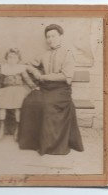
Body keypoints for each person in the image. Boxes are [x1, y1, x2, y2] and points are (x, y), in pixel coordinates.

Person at [18, 24, 84, 155]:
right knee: (30, 101)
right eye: (48, 37)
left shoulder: (68, 53)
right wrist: (35, 72)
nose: (50, 39)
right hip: (45, 87)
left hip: (61, 89)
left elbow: (66, 76)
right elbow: (28, 65)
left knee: (48, 105)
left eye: (53, 36)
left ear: (60, 37)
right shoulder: (44, 54)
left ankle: (50, 145)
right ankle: (32, 143)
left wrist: (43, 76)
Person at [0, 48, 35, 141]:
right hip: (6, 90)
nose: (11, 60)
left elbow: (27, 79)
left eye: (14, 58)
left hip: (18, 90)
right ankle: (2, 126)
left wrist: (34, 87)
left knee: (18, 107)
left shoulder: (20, 68)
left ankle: (17, 127)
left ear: (18, 59)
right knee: (2, 106)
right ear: (6, 58)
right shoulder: (4, 68)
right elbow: (0, 81)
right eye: (9, 57)